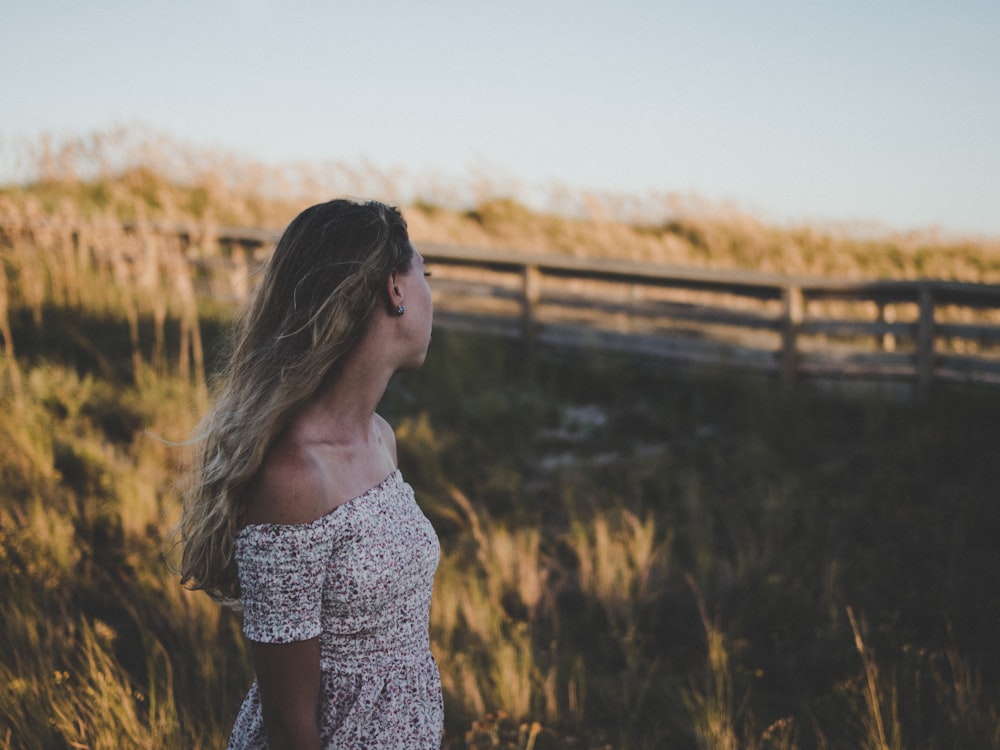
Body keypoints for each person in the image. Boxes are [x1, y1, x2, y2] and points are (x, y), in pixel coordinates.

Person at [175, 198, 442, 749]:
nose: (429, 294)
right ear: (394, 289)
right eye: (425, 275)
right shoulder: (293, 478)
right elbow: (289, 724)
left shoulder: (381, 439)